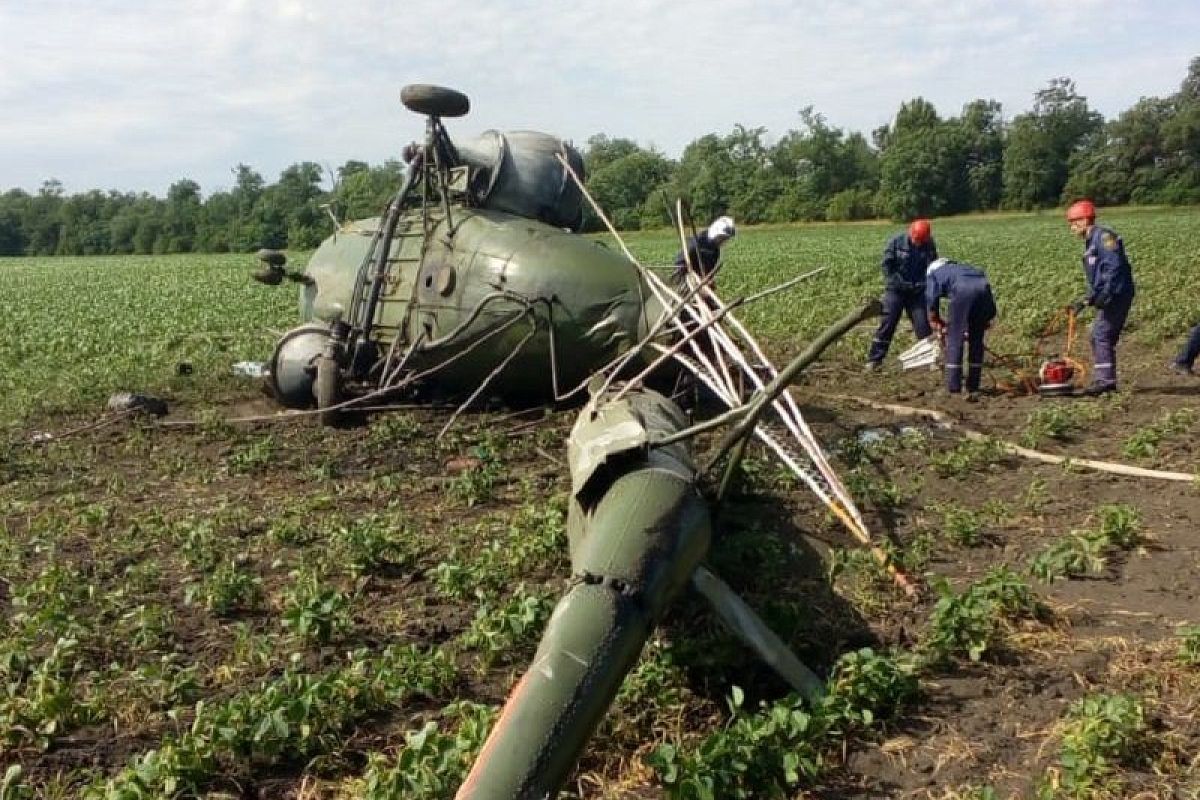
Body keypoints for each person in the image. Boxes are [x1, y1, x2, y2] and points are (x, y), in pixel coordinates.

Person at [1065, 200, 1135, 395]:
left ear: (1085, 220)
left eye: (1073, 222)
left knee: (1101, 334)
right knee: (1100, 334)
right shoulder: (1091, 241)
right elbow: (1099, 277)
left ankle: (1105, 382)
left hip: (1118, 294)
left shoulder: (1104, 237)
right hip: (1111, 293)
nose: (1071, 227)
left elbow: (1115, 267)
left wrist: (1107, 294)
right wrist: (1086, 300)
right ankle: (1105, 379)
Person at [865, 219, 938, 371]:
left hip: (917, 293)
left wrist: (923, 285)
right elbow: (887, 266)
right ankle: (874, 360)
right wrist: (897, 282)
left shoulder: (929, 244)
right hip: (896, 291)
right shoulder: (896, 242)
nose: (918, 243)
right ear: (910, 233)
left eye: (921, 241)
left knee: (923, 325)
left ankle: (931, 360)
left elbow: (932, 268)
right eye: (916, 240)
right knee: (888, 323)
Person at [925, 258, 997, 401]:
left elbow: (931, 297)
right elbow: (988, 296)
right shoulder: (968, 270)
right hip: (983, 292)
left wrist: (933, 318)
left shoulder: (934, 274)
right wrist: (985, 318)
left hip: (962, 292)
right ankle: (974, 386)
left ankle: (954, 387)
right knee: (976, 341)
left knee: (954, 339)